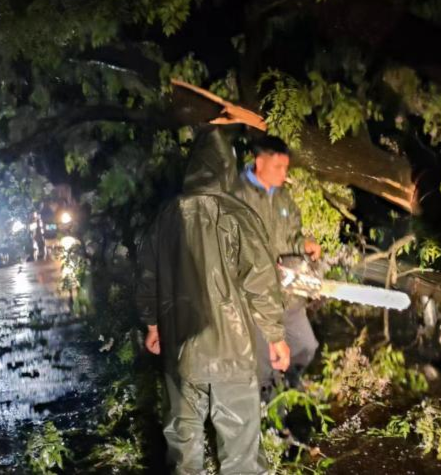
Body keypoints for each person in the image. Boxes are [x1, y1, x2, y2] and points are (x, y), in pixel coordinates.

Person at [137, 128, 290, 474]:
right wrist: (276, 336)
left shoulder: (166, 216)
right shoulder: (238, 215)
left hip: (181, 351)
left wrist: (151, 324)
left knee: (183, 448)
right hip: (232, 354)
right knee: (240, 456)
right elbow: (262, 283)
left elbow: (146, 275)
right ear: (226, 171)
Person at [231, 135, 322, 398]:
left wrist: (304, 244)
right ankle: (272, 418)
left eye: (286, 168)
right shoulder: (235, 196)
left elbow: (293, 236)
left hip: (288, 294)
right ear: (259, 162)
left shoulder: (284, 199)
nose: (284, 174)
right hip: (255, 299)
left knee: (306, 346)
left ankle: (290, 383)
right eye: (278, 167)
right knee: (264, 367)